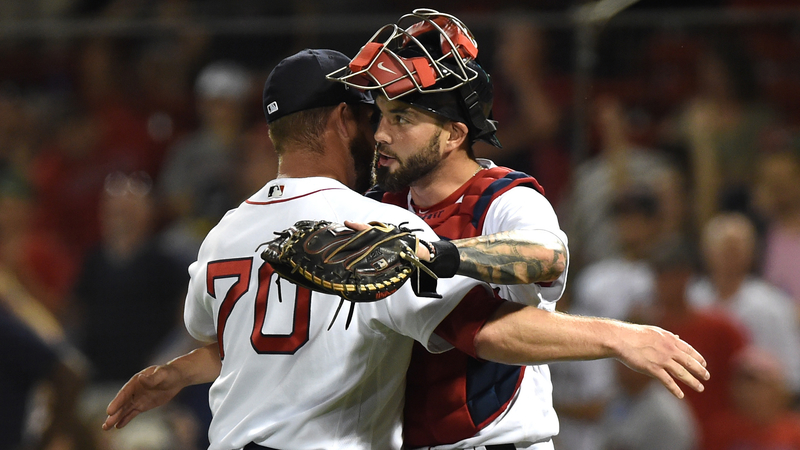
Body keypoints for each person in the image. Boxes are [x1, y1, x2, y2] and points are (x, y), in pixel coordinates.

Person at [103, 47, 709, 450]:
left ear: (454, 132)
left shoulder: (229, 230)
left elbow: (544, 261)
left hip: (497, 440)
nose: (384, 131)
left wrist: (445, 257)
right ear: (346, 119)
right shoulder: (379, 219)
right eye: (379, 115)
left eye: (402, 118)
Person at [688, 212, 800, 396]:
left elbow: (792, 373)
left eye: (736, 249)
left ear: (751, 253)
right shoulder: (692, 299)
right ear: (706, 251)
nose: (729, 256)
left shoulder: (773, 305)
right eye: (723, 248)